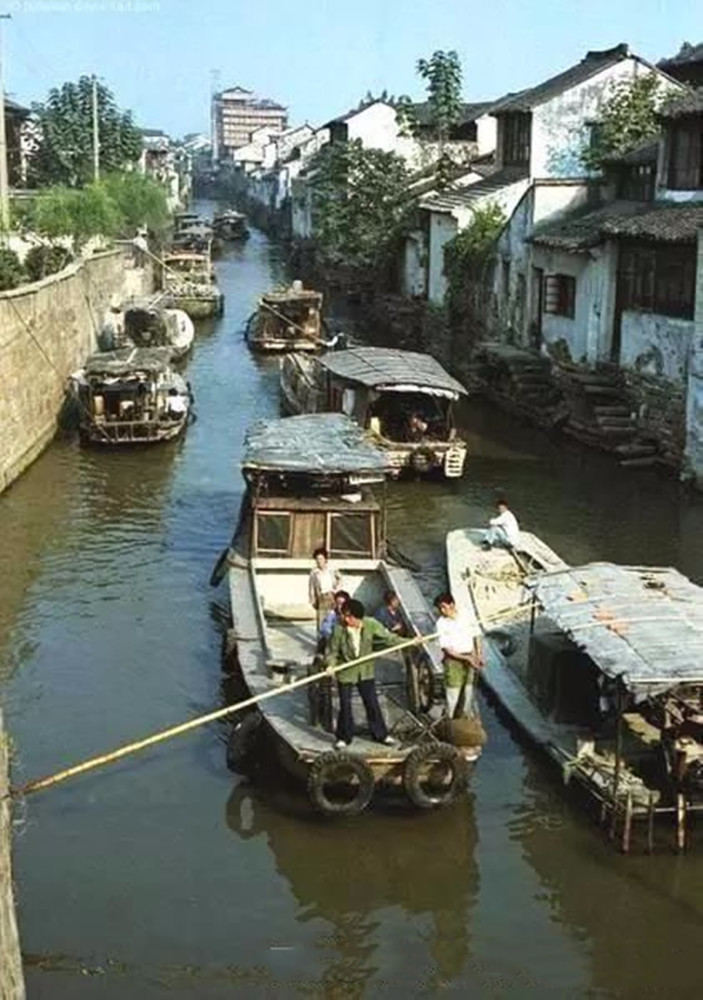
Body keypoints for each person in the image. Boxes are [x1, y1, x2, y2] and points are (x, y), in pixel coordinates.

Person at [325, 598, 402, 748]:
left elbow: (389, 639)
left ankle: (381, 734)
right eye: (344, 616)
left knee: (371, 702)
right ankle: (344, 737)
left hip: (365, 670)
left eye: (349, 616)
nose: (345, 619)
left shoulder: (371, 624)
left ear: (357, 617)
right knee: (345, 705)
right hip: (346, 669)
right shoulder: (338, 628)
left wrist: (409, 641)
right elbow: (332, 651)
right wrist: (330, 665)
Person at [434, 592, 483, 719]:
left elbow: (476, 635)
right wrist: (467, 658)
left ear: (452, 604)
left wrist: (478, 654)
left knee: (468, 690)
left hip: (469, 655)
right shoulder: (441, 623)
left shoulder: (466, 614)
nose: (443, 611)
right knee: (453, 692)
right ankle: (449, 718)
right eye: (440, 608)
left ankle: (465, 716)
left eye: (444, 607)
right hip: (453, 660)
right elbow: (446, 649)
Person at [309, 547, 341, 630]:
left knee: (333, 619)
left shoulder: (332, 569)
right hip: (321, 597)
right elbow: (311, 587)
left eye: (321, 559)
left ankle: (332, 640)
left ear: (325, 559)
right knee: (321, 622)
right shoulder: (314, 572)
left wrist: (336, 590)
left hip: (332, 596)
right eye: (317, 559)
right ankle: (321, 641)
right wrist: (312, 599)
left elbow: (340, 579)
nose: (319, 561)